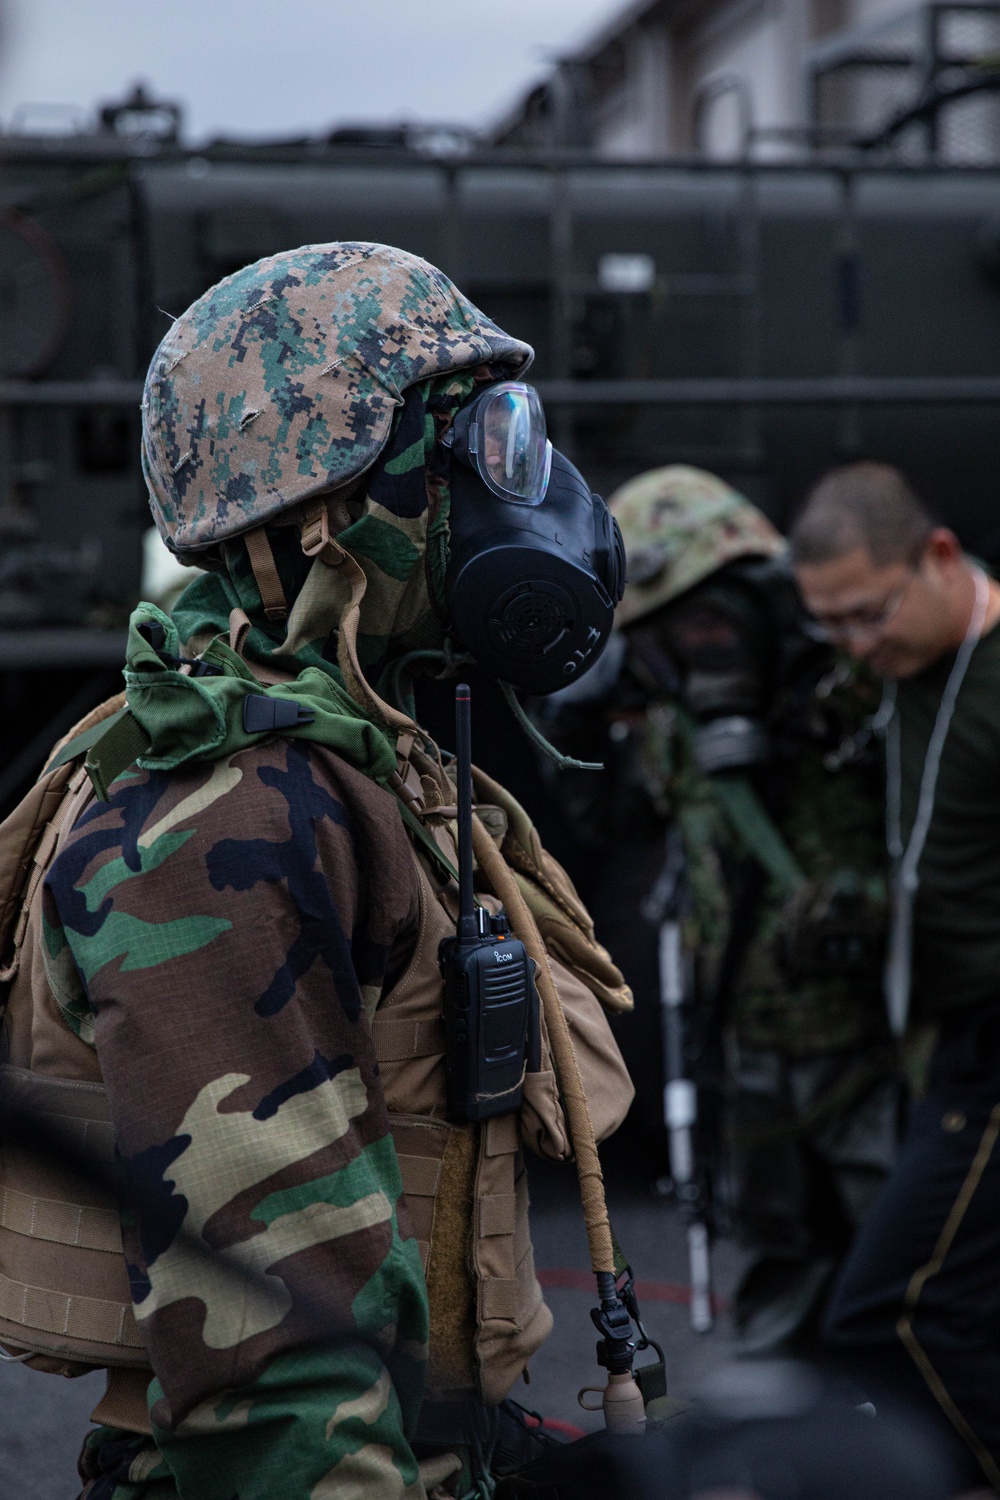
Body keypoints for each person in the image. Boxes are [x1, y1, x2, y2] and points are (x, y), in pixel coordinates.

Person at [0, 243, 637, 1500]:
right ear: (327, 503)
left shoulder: (364, 762)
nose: (523, 487)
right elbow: (266, 1371)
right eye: (473, 445)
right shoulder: (220, 813)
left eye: (514, 436)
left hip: (423, 1440)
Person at [540, 465, 896, 1354]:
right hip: (752, 1048)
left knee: (907, 1268)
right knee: (782, 1268)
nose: (705, 655)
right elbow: (614, 818)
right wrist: (575, 727)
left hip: (878, 1049)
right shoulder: (678, 733)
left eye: (715, 622)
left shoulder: (863, 697)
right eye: (673, 638)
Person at [791, 459, 1000, 1491]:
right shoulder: (898, 669)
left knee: (890, 1311)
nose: (856, 646)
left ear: (940, 559)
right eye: (831, 626)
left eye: (868, 614)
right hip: (939, 1037)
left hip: (990, 1051)